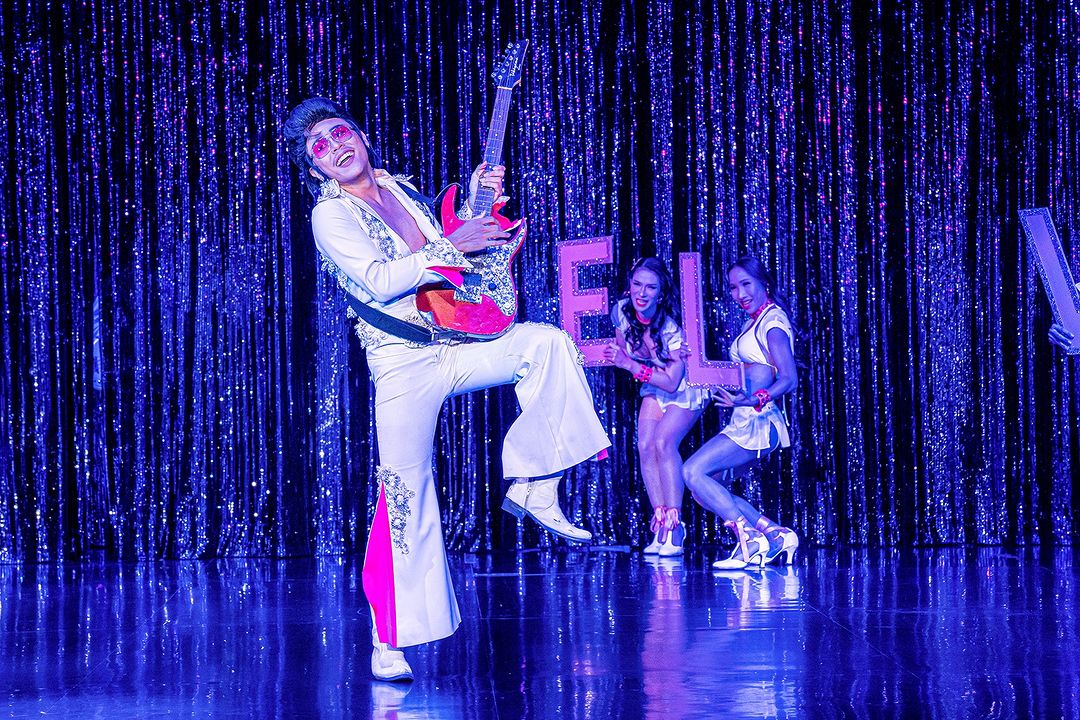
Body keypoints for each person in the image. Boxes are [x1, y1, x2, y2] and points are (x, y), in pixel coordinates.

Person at [283, 97, 610, 682]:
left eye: (340, 132)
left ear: (360, 133)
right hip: (401, 366)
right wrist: (457, 238)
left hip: (450, 344)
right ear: (316, 171)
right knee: (403, 498)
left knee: (548, 345)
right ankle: (390, 639)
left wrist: (486, 226)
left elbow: (451, 266)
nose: (337, 146)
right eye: (321, 147)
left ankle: (535, 482)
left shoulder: (399, 190)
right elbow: (382, 282)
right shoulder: (329, 217)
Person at [681, 256, 800, 570]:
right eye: (733, 287)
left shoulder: (772, 324)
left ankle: (749, 538)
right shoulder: (755, 321)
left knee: (692, 472)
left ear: (764, 283)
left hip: (757, 422)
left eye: (746, 284)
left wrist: (752, 400)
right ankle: (773, 534)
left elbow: (788, 377)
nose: (739, 293)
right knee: (706, 489)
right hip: (746, 420)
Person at [602, 258, 707, 556]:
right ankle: (660, 521)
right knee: (645, 445)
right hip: (653, 384)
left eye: (651, 287)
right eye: (637, 284)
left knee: (663, 442)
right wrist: (627, 360)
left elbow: (673, 382)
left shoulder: (671, 327)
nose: (642, 293)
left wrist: (631, 364)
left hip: (685, 390)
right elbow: (625, 351)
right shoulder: (621, 312)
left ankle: (675, 525)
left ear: (661, 293)